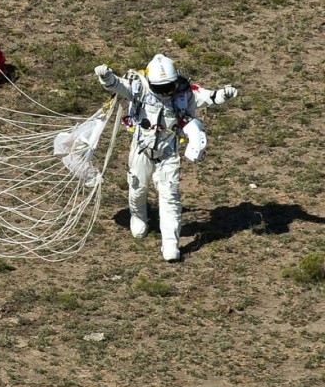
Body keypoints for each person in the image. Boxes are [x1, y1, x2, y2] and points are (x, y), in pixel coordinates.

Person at [94, 54, 238, 262]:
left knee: (170, 197)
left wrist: (224, 94)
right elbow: (119, 86)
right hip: (142, 149)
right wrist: (106, 77)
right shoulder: (140, 87)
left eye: (168, 86)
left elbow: (208, 97)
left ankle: (170, 243)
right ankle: (139, 216)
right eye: (160, 88)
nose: (164, 92)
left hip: (168, 153)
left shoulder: (184, 92)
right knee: (137, 186)